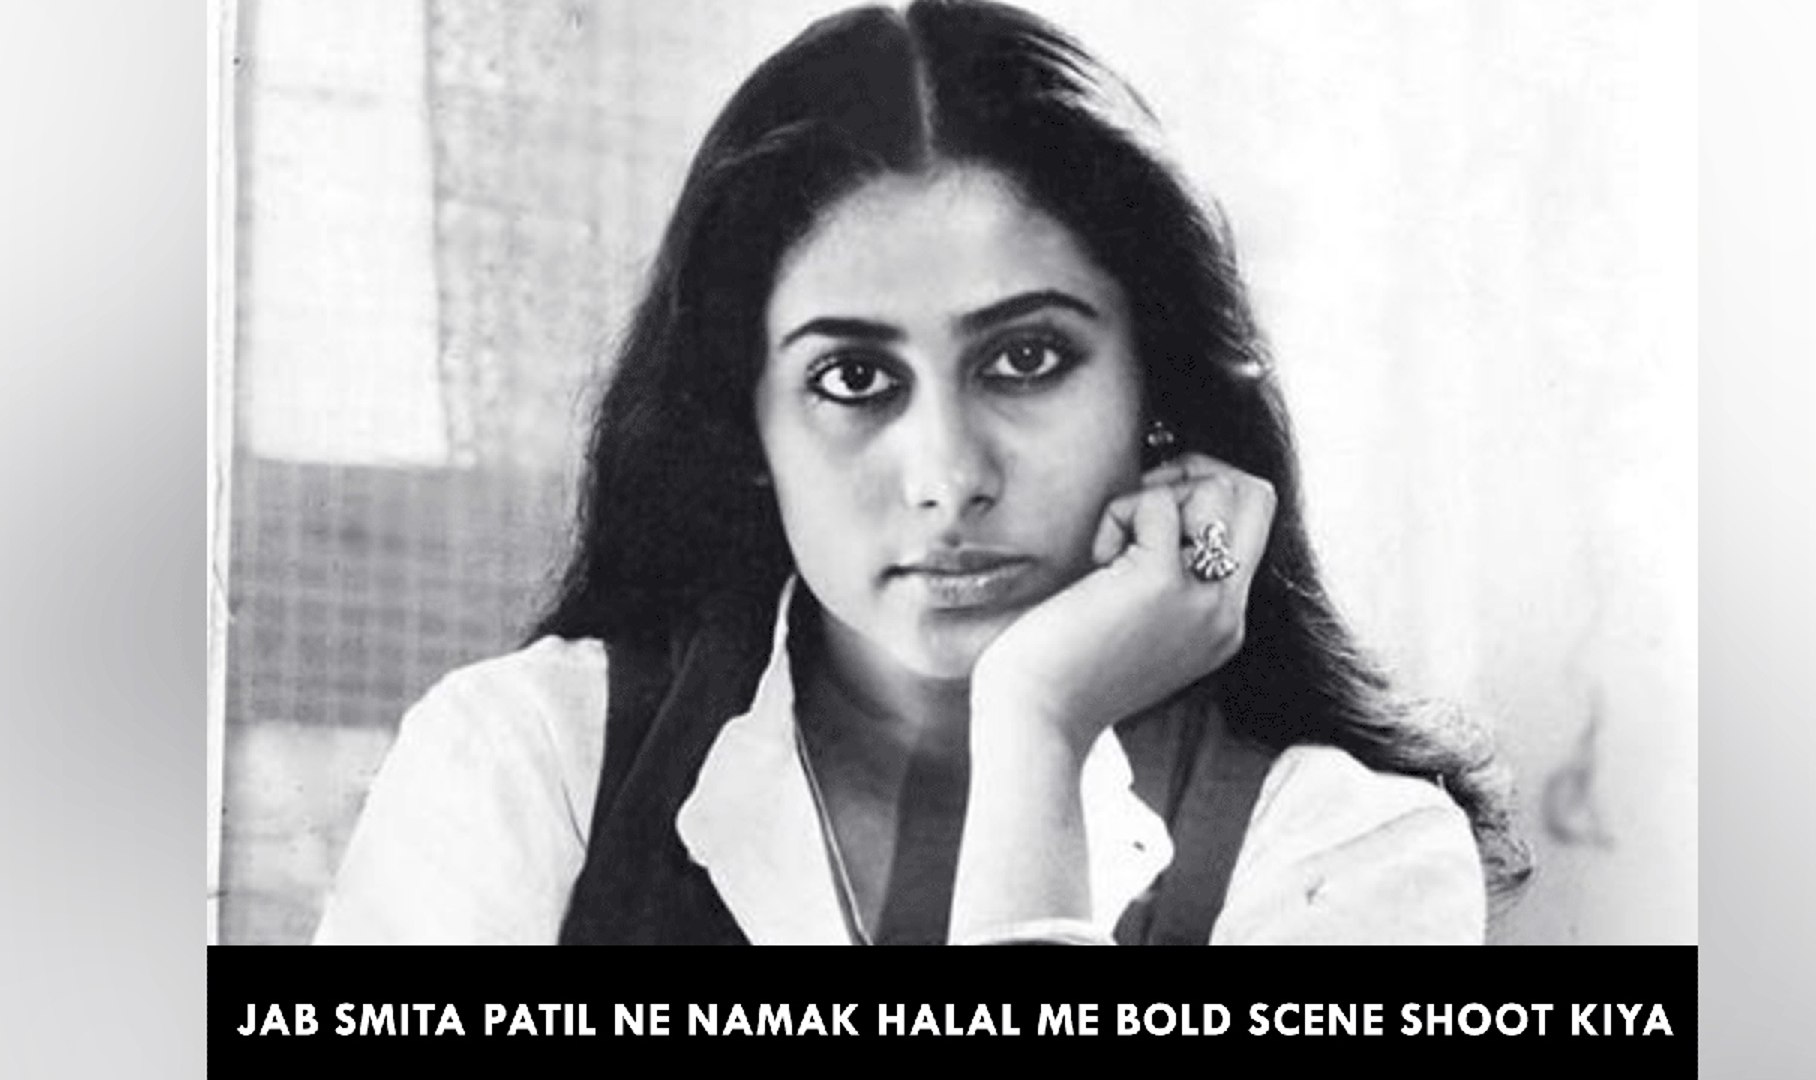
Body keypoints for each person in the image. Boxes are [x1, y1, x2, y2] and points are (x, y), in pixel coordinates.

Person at [315, 0, 1529, 946]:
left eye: (1027, 358)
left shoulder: (1344, 846)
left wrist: (1038, 729)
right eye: (854, 379)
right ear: (743, 422)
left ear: (1157, 387)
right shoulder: (527, 760)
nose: (948, 475)